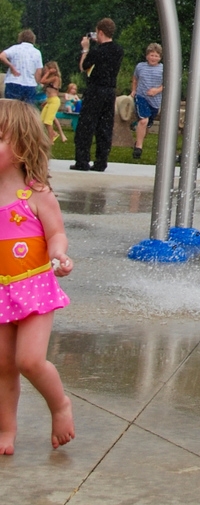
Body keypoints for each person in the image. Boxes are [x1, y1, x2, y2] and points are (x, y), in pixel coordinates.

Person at [0, 99, 75, 452]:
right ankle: (6, 431)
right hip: (1, 293)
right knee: (2, 366)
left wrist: (59, 252)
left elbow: (56, 233)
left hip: (33, 288)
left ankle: (60, 405)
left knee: (28, 360)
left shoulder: (36, 194)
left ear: (21, 145)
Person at [72, 19, 123, 172]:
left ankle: (82, 161)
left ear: (100, 32)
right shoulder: (118, 50)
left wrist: (85, 49)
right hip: (110, 91)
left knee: (86, 126)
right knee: (105, 127)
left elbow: (83, 67)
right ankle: (101, 161)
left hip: (95, 90)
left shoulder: (97, 51)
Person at [130, 43, 164, 163]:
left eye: (156, 56)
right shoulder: (140, 66)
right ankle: (138, 147)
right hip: (141, 96)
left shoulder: (163, 69)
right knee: (143, 120)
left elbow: (167, 84)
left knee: (146, 124)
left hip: (155, 101)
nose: (153, 58)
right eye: (151, 55)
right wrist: (134, 90)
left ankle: (136, 127)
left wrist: (157, 90)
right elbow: (135, 79)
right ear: (147, 56)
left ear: (160, 57)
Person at [0, 29, 43, 104]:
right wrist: (37, 84)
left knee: (11, 108)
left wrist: (11, 66)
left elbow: (2, 56)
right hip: (29, 84)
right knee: (27, 110)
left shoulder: (15, 48)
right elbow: (38, 71)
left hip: (13, 82)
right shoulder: (37, 52)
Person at [39, 62, 65, 144]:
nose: (45, 71)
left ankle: (51, 141)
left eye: (47, 69)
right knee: (41, 120)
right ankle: (53, 133)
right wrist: (46, 102)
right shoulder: (50, 79)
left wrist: (48, 73)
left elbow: (42, 81)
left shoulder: (55, 78)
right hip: (49, 101)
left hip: (54, 101)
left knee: (48, 121)